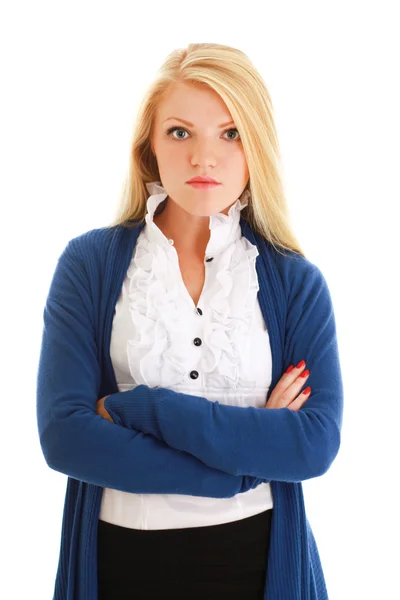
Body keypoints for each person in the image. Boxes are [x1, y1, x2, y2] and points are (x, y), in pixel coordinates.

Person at [36, 43, 344, 599]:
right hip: (119, 564)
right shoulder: (89, 266)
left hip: (258, 562)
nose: (205, 158)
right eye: (180, 132)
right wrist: (245, 462)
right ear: (149, 149)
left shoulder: (295, 282)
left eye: (230, 133)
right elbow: (65, 438)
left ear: (256, 148)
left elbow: (313, 444)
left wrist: (139, 408)